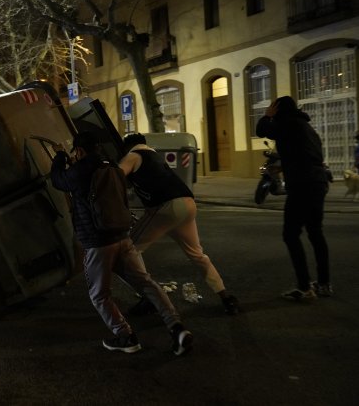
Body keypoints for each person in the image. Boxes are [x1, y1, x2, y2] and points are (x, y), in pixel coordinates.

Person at [50, 131, 193, 355]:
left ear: (79, 151)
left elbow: (59, 180)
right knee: (146, 284)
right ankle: (177, 327)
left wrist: (59, 157)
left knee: (99, 295)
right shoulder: (114, 168)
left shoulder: (81, 170)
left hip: (98, 243)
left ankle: (126, 336)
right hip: (122, 237)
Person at [118, 133, 239, 315]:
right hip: (187, 204)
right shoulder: (154, 155)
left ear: (127, 147)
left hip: (165, 207)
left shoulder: (133, 155)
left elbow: (114, 178)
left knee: (126, 251)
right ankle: (226, 297)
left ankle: (150, 296)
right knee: (197, 255)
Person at [256, 96, 331, 300]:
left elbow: (261, 130)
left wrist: (267, 116)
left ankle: (304, 287)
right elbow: (305, 155)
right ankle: (324, 284)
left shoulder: (287, 124)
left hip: (303, 186)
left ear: (279, 110)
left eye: (274, 108)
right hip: (318, 183)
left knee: (290, 234)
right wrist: (282, 166)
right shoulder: (307, 128)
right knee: (315, 233)